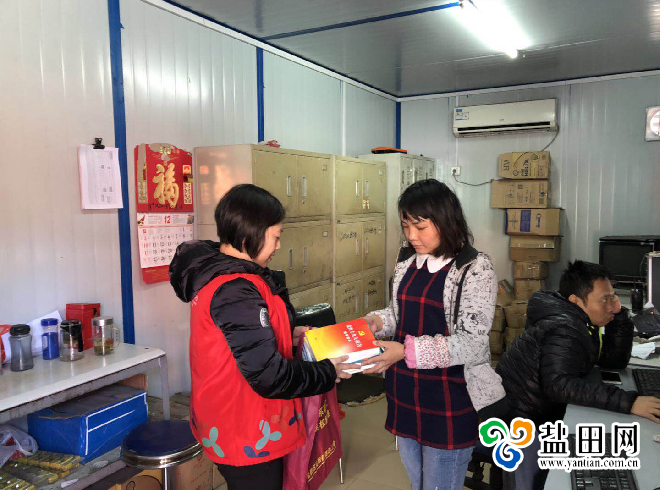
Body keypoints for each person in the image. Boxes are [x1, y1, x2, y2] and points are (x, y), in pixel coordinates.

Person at [170, 184, 353, 490]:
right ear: (248, 236)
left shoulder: (230, 275)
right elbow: (269, 375)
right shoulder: (235, 289)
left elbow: (240, 339)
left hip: (238, 420)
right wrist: (327, 372)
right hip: (244, 428)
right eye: (276, 237)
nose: (279, 246)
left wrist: (287, 334)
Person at [360, 179, 507, 490]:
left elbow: (472, 342)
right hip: (405, 390)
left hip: (450, 395)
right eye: (406, 226)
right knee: (419, 483)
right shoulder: (407, 261)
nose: (411, 236)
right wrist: (376, 321)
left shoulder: (474, 268)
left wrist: (404, 351)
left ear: (445, 221)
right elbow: (400, 314)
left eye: (420, 227)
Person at [496, 260, 660, 489]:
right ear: (576, 301)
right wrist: (628, 402)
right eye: (605, 299)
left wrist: (620, 317)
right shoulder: (564, 328)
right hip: (524, 420)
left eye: (613, 297)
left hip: (538, 410)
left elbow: (613, 361)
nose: (612, 306)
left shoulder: (577, 318)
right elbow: (559, 385)